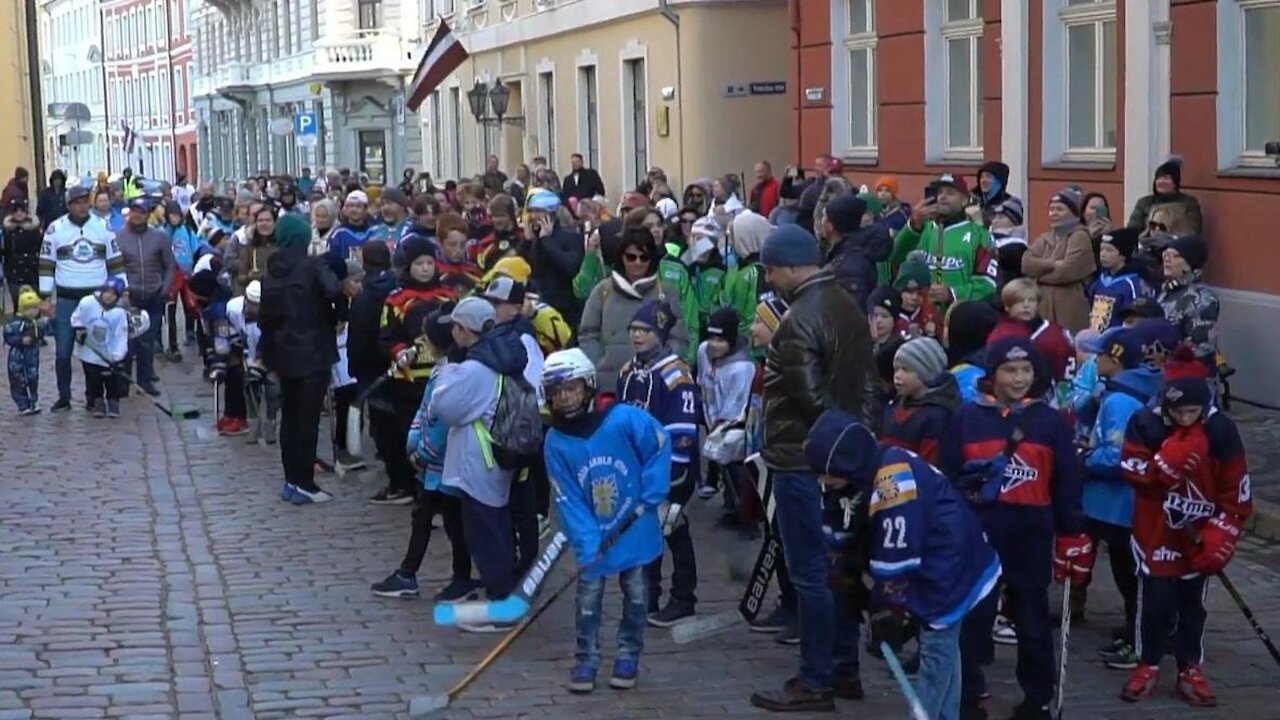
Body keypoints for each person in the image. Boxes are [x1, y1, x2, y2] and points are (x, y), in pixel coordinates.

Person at [806, 409, 1002, 720]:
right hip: (935, 561)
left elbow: (896, 550)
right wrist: (845, 576)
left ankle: (925, 714)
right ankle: (947, 714)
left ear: (846, 462)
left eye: (828, 473)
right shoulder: (849, 479)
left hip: (947, 565)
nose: (823, 480)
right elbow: (837, 525)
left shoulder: (894, 481)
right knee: (944, 646)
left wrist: (887, 604)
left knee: (937, 649)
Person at [750, 224, 871, 712]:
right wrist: (859, 449)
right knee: (839, 568)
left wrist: (831, 452)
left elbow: (809, 400)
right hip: (842, 457)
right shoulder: (846, 305)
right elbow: (867, 386)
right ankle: (843, 669)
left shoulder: (799, 319)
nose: (769, 277)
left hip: (803, 459)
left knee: (810, 574)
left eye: (772, 268)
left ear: (794, 265)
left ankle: (816, 679)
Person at [940, 336, 1092, 720]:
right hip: (981, 532)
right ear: (992, 375)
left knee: (1032, 618)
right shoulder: (966, 418)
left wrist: (1071, 532)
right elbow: (948, 474)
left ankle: (1038, 696)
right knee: (974, 616)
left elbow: (1066, 480)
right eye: (1010, 370)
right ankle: (967, 691)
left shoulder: (1049, 422)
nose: (1020, 378)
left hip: (1031, 531)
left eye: (1026, 370)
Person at [1119, 345, 1251, 706]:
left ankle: (1189, 665)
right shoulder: (1145, 422)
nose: (1185, 417)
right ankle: (1147, 662)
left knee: (1192, 603)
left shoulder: (1221, 429)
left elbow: (1235, 486)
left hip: (1199, 533)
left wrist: (1224, 530)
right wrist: (1161, 469)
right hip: (1155, 529)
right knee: (1156, 602)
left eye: (1192, 410)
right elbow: (1129, 468)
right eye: (1178, 410)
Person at [537, 349, 669, 692]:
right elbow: (567, 496)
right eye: (557, 391)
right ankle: (586, 658)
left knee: (638, 594)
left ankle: (628, 655)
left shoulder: (623, 418)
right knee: (588, 599)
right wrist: (587, 539)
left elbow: (659, 444)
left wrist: (652, 494)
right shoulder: (556, 441)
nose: (565, 397)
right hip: (594, 533)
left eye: (572, 388)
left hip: (635, 524)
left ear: (588, 386)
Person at [1073, 320, 1176, 668]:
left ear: (1114, 359)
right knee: (1132, 574)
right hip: (1128, 503)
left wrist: (1084, 457)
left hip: (1117, 504)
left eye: (1099, 353)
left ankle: (1141, 639)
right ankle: (1139, 630)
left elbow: (1117, 456)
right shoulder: (1135, 388)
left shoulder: (1119, 399)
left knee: (1130, 576)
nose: (1093, 358)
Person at [429, 297, 528, 623]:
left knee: (487, 534)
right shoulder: (499, 356)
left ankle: (500, 605)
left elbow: (444, 408)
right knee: (495, 527)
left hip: (479, 460)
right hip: (494, 457)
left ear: (463, 330)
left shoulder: (475, 368)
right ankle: (501, 593)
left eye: (455, 327)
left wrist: (446, 374)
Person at [372, 302, 477, 602]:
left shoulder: (447, 376)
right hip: (441, 463)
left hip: (440, 463)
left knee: (445, 521)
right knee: (431, 518)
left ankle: (450, 576)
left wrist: (422, 451)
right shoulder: (447, 371)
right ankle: (415, 572)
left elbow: (438, 418)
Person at [616, 301, 702, 627]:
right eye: (634, 330)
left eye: (645, 331)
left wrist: (675, 474)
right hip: (637, 468)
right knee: (644, 531)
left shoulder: (675, 374)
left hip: (670, 470)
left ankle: (683, 598)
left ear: (661, 334)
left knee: (674, 531)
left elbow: (683, 429)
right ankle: (648, 594)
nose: (637, 336)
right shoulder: (630, 371)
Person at [258, 214, 346, 505]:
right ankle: (305, 483)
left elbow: (265, 318)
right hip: (313, 350)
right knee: (308, 421)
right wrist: (335, 315)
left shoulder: (272, 272)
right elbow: (335, 290)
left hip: (283, 353)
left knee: (290, 418)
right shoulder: (312, 265)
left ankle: (290, 480)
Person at [374, 236, 457, 505]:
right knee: (412, 431)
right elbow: (386, 334)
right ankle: (416, 487)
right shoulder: (397, 299)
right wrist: (399, 350)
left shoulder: (447, 295)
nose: (424, 269)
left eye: (429, 263)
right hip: (409, 379)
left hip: (442, 374)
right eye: (419, 264)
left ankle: (442, 488)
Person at [39, 186, 128, 412]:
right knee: (63, 350)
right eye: (76, 203)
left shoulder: (102, 227)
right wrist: (46, 297)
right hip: (67, 298)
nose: (81, 206)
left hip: (97, 298)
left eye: (84, 202)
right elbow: (46, 264)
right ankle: (64, 396)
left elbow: (115, 261)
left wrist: (122, 290)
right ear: (68, 205)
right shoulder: (55, 229)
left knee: (98, 348)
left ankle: (94, 396)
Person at [579, 227, 689, 393]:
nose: (637, 262)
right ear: (621, 257)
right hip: (609, 384)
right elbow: (587, 333)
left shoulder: (665, 293)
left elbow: (679, 337)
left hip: (655, 384)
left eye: (643, 257)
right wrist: (599, 363)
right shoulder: (603, 290)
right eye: (631, 257)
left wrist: (665, 364)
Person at [890, 173, 996, 311]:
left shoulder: (980, 235)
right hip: (921, 317)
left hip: (960, 316)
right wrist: (913, 225)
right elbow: (895, 257)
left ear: (964, 200)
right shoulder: (922, 228)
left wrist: (953, 293)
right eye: (940, 192)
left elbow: (988, 284)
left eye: (950, 193)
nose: (942, 197)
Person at [117, 198, 176, 397]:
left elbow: (170, 265)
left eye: (141, 211)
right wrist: (120, 291)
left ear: (147, 213)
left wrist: (164, 288)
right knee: (126, 341)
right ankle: (123, 383)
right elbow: (113, 267)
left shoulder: (160, 237)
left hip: (153, 294)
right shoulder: (118, 237)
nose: (137, 215)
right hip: (129, 295)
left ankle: (144, 381)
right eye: (134, 210)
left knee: (147, 340)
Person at [1021, 190, 1096, 334]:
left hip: (1069, 307)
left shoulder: (1080, 236)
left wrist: (1038, 275)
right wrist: (1052, 264)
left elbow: (1066, 272)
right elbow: (1025, 263)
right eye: (1051, 209)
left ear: (1074, 212)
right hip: (1043, 305)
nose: (1053, 213)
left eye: (1059, 209)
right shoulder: (1044, 238)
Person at [880, 337, 957, 465]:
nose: (897, 375)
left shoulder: (936, 417)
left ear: (926, 373)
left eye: (906, 370)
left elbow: (931, 464)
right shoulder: (894, 406)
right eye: (896, 369)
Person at [521, 189, 585, 327]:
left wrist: (546, 241)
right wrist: (526, 242)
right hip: (536, 306)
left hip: (563, 309)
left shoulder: (570, 237)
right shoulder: (532, 239)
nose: (533, 216)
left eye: (538, 211)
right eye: (531, 211)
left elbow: (571, 268)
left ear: (551, 214)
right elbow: (519, 266)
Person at [70, 278, 131, 419]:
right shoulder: (88, 303)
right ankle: (97, 402)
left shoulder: (119, 313)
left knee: (111, 379)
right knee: (93, 379)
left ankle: (113, 402)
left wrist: (117, 356)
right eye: (106, 292)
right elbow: (76, 318)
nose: (108, 296)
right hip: (90, 351)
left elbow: (121, 335)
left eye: (113, 294)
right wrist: (79, 330)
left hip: (108, 353)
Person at [821, 193, 892, 310]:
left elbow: (851, 312)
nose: (821, 221)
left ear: (830, 226)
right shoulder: (840, 253)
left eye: (824, 217)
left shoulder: (850, 266)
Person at [1157, 234, 1218, 368]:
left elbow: (1201, 346)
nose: (1167, 259)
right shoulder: (1165, 292)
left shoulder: (1201, 297)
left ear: (1190, 263)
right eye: (1166, 254)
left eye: (1176, 256)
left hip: (1187, 375)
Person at [1087, 228, 1150, 331]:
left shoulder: (1132, 283)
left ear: (1123, 255)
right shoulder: (1099, 280)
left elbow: (1136, 316)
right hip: (1095, 336)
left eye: (1109, 250)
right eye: (1101, 249)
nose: (1103, 254)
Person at [4, 287, 51, 414]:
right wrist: (20, 340)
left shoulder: (37, 323)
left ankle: (33, 400)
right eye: (28, 308)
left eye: (34, 308)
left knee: (33, 376)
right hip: (17, 354)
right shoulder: (14, 322)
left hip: (32, 354)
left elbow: (45, 332)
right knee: (17, 377)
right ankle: (22, 403)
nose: (31, 312)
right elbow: (8, 337)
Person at [1126, 156, 1203, 234]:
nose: (1161, 181)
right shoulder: (1144, 202)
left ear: (1175, 182)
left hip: (1176, 243)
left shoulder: (1188, 203)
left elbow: (1192, 231)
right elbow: (1133, 228)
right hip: (1147, 242)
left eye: (1166, 178)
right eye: (1158, 178)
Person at [3, 198, 43, 308]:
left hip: (32, 272)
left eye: (22, 210)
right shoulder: (7, 231)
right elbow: (4, 252)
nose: (19, 213)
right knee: (18, 306)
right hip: (14, 274)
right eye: (16, 211)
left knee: (34, 305)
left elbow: (40, 249)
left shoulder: (34, 229)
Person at [894, 252, 943, 339]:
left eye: (920, 293)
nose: (914, 297)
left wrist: (933, 336)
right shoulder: (891, 316)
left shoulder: (930, 316)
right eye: (909, 291)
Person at [327, 190, 379, 263]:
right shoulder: (338, 234)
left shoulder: (376, 231)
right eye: (350, 206)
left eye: (358, 206)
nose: (354, 210)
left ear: (365, 209)